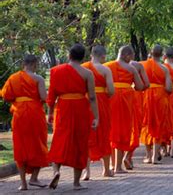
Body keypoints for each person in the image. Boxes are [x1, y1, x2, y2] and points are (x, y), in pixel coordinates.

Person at [47, 44, 99, 190]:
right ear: (83, 57)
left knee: (60, 140)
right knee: (80, 143)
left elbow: (52, 95)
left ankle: (56, 171)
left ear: (69, 55)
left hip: (63, 108)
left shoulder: (56, 71)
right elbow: (93, 97)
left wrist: (50, 112)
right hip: (80, 108)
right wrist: (96, 116)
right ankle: (76, 183)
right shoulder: (87, 73)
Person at [1, 55, 49, 191]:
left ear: (24, 64)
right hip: (35, 113)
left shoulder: (13, 78)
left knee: (20, 146)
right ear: (35, 64)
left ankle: (23, 183)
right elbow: (44, 98)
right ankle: (34, 177)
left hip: (19, 114)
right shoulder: (38, 78)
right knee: (39, 144)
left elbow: (6, 95)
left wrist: (19, 100)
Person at [105, 46, 145, 174]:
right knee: (122, 132)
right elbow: (139, 86)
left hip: (109, 99)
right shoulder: (131, 69)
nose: (132, 59)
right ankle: (118, 167)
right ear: (127, 55)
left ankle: (111, 165)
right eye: (132, 56)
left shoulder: (106, 66)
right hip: (125, 101)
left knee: (111, 131)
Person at [81, 45, 115, 179]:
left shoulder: (83, 67)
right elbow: (111, 90)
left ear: (91, 55)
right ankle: (106, 170)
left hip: (86, 101)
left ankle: (86, 171)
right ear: (103, 56)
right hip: (101, 103)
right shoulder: (105, 69)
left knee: (87, 135)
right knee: (104, 134)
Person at [140, 45, 172, 164]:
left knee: (147, 124)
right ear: (161, 54)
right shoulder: (164, 69)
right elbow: (169, 88)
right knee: (158, 124)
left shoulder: (143, 65)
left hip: (146, 97)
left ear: (150, 53)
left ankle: (148, 155)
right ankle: (154, 157)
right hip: (160, 98)